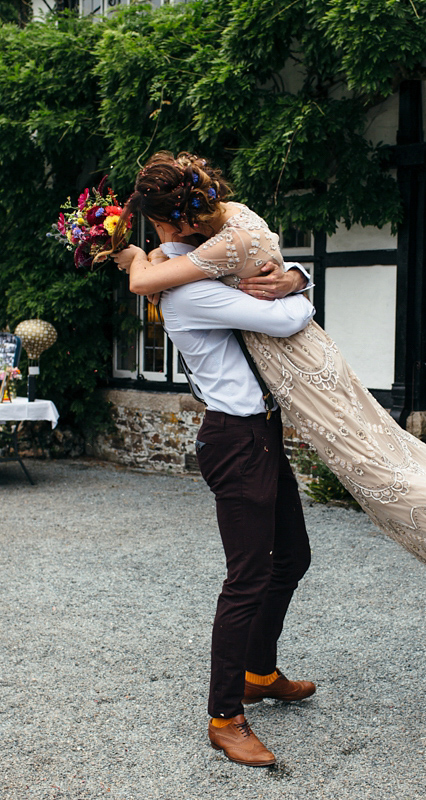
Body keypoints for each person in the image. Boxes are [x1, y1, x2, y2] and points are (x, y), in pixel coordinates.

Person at [114, 151, 426, 622]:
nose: (160, 237)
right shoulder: (231, 221)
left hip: (298, 364)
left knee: (369, 468)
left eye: (158, 226)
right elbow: (225, 268)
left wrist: (130, 253)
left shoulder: (217, 245)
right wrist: (298, 277)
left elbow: (147, 281)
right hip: (307, 357)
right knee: (385, 449)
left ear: (177, 219)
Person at [142, 228, 318, 768]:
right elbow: (291, 316)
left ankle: (258, 674)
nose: (215, 232)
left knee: (292, 557)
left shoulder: (200, 270)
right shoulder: (191, 290)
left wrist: (295, 275)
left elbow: (278, 282)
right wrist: (295, 287)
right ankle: (224, 718)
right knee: (247, 578)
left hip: (261, 430)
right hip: (234, 438)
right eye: (196, 220)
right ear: (169, 228)